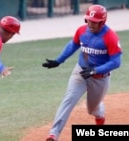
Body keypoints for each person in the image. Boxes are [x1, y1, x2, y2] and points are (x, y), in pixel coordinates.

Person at [42, 4, 122, 141]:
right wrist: (58, 61)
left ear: (102, 22)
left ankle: (99, 113)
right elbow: (73, 44)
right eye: (88, 20)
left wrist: (96, 70)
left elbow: (116, 62)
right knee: (69, 100)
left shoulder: (110, 36)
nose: (90, 24)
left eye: (95, 22)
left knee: (92, 109)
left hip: (100, 77)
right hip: (80, 72)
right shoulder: (82, 31)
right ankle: (53, 134)